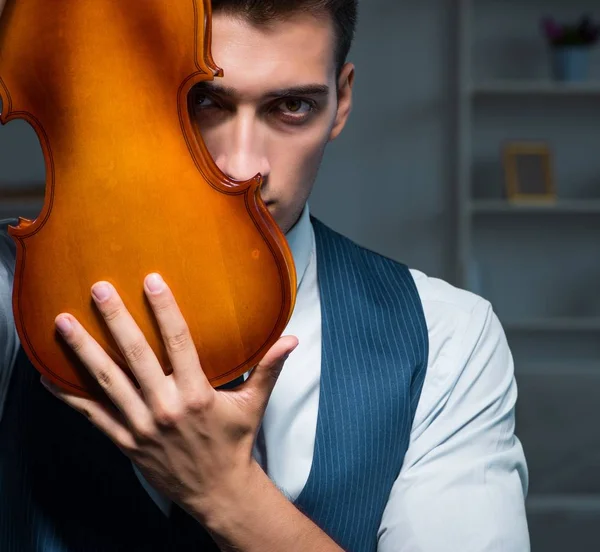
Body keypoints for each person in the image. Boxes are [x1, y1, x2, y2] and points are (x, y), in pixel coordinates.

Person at [0, 0, 530, 550]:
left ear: (341, 102)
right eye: (204, 101)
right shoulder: (14, 292)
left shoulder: (448, 337)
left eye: (292, 106)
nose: (242, 166)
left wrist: (225, 493)